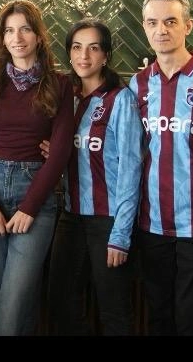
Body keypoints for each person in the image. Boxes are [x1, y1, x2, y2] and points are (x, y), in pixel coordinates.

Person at [0, 0, 75, 336]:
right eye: (10, 31)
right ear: (2, 38)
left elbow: (59, 152)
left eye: (25, 29)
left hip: (36, 196)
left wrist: (30, 207)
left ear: (38, 35)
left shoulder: (59, 84)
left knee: (14, 304)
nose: (17, 38)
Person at [127, 0, 193, 336]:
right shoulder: (138, 84)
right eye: (152, 22)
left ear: (188, 26)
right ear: (144, 27)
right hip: (152, 222)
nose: (161, 30)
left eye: (170, 21)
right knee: (159, 318)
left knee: (192, 320)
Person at [46, 18, 142, 336]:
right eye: (76, 47)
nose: (83, 56)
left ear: (106, 55)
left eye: (93, 48)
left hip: (108, 219)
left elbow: (131, 170)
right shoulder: (66, 98)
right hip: (71, 216)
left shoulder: (120, 100)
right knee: (59, 303)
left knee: (114, 311)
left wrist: (121, 235)